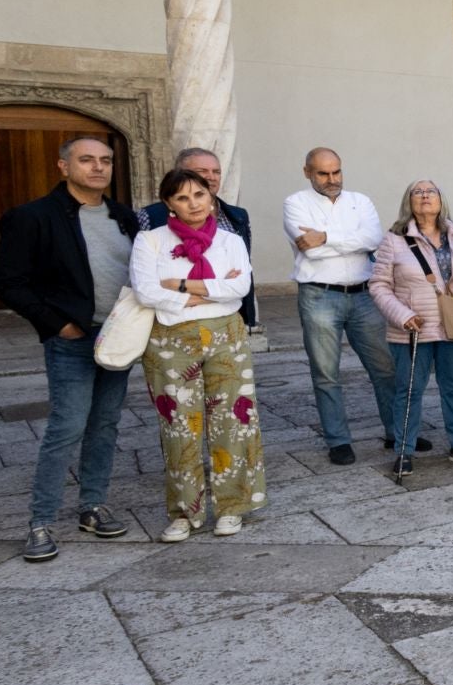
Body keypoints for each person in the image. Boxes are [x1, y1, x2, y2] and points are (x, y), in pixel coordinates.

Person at [0, 135, 138, 561]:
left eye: (105, 161)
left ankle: (92, 506)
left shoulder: (126, 218)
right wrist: (58, 325)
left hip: (118, 339)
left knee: (105, 424)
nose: (98, 168)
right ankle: (40, 522)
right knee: (67, 427)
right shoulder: (33, 217)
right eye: (86, 160)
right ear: (63, 166)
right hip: (73, 339)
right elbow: (8, 282)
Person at [130, 166, 264, 541]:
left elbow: (239, 286)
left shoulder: (229, 239)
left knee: (234, 421)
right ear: (169, 204)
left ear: (210, 197)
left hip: (226, 334)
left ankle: (232, 506)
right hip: (171, 338)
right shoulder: (150, 240)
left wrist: (181, 284)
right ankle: (184, 513)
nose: (194, 204)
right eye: (183, 198)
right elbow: (146, 291)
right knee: (178, 426)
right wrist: (204, 291)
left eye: (199, 195)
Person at [284, 147, 422, 465]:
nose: (332, 179)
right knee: (326, 373)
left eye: (337, 172)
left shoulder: (361, 201)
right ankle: (338, 440)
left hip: (364, 295)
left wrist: (326, 237)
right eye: (323, 173)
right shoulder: (295, 204)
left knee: (385, 367)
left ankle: (398, 434)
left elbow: (373, 239)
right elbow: (312, 253)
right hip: (319, 296)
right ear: (307, 172)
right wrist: (346, 239)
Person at [369, 179, 453, 477]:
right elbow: (379, 285)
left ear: (441, 199)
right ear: (408, 201)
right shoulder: (394, 239)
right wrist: (401, 314)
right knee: (409, 390)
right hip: (412, 329)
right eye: (417, 192)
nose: (425, 196)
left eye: (430, 191)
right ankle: (404, 450)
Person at [139, 147, 257, 334]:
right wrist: (221, 293)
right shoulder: (152, 217)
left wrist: (176, 284)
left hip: (227, 322)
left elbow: (241, 282)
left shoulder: (237, 216)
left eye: (216, 171)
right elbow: (147, 285)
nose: (211, 176)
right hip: (171, 325)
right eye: (202, 171)